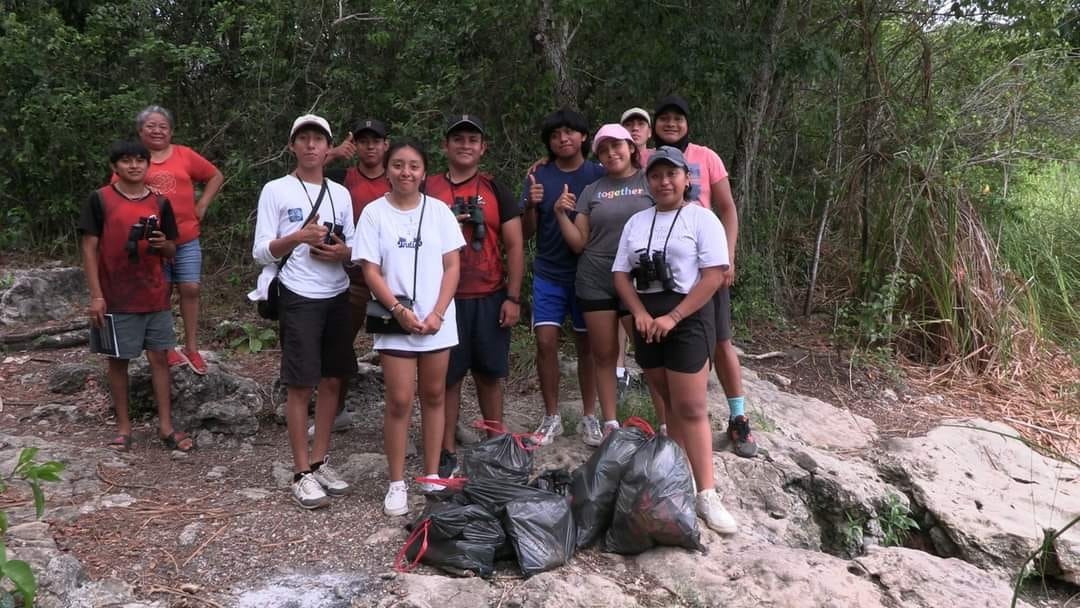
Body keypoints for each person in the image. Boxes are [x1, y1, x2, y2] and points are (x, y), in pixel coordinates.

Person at [613, 145, 738, 534]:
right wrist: (639, 313)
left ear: (686, 179)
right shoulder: (637, 222)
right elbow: (621, 274)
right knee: (668, 402)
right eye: (656, 175)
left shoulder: (702, 218)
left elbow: (713, 275)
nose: (663, 182)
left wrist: (674, 317)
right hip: (647, 320)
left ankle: (707, 493)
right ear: (647, 181)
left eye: (671, 174)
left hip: (688, 317)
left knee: (691, 406)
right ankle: (677, 478)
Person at [353, 138, 465, 516]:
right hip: (394, 319)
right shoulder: (373, 213)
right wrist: (399, 310)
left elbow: (452, 265)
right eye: (398, 165)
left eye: (414, 166)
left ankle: (431, 474)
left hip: (436, 321)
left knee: (434, 395)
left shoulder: (439, 212)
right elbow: (370, 269)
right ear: (387, 170)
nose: (406, 172)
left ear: (424, 172)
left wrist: (438, 313)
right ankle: (396, 482)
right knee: (400, 400)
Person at [251, 114, 356, 510]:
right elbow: (261, 251)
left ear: (328, 148)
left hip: (337, 292)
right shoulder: (276, 190)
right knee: (300, 383)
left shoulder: (341, 194)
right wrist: (297, 237)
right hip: (298, 294)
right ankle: (300, 472)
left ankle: (320, 460)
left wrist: (341, 251)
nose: (311, 145)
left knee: (332, 380)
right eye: (304, 139)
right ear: (292, 146)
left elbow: (354, 245)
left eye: (319, 139)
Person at [652, 95, 756, 458]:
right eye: (664, 118)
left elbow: (727, 208)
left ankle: (738, 417)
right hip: (665, 271)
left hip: (706, 264)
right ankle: (671, 429)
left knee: (721, 340)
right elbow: (610, 166)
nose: (671, 124)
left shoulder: (706, 157)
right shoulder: (647, 159)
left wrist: (728, 256)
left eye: (678, 118)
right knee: (666, 347)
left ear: (687, 124)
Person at [425, 115, 524, 477]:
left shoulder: (497, 190)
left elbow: (515, 245)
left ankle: (495, 444)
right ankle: (446, 449)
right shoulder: (428, 187)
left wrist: (513, 297)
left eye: (472, 140)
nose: (465, 145)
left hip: (489, 295)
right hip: (442, 299)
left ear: (483, 148)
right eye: (458, 139)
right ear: (445, 145)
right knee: (447, 378)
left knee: (489, 374)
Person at [80, 139, 193, 454]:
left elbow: (172, 248)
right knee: (118, 362)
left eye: (139, 160)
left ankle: (166, 427)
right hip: (115, 295)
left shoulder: (160, 203)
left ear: (147, 165)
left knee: (160, 358)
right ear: (114, 166)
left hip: (155, 294)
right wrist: (96, 295)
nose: (134, 166)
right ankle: (124, 429)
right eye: (126, 160)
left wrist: (161, 244)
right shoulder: (100, 199)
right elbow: (89, 248)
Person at [553, 124, 653, 443]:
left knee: (649, 353)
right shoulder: (592, 190)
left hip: (639, 277)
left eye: (617, 146)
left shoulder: (649, 181)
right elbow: (579, 243)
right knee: (604, 354)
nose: (612, 153)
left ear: (631, 147)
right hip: (595, 276)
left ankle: (665, 423)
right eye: (604, 150)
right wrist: (560, 215)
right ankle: (610, 423)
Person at [521, 109, 606, 446]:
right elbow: (526, 232)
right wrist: (531, 205)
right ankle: (551, 417)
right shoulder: (539, 175)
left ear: (584, 136)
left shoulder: (599, 173)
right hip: (549, 272)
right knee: (545, 342)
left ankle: (590, 416)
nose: (563, 139)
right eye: (555, 135)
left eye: (569, 132)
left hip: (588, 274)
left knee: (588, 346)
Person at [311, 118, 391, 436]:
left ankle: (397, 422)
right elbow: (301, 179)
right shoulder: (341, 178)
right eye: (363, 140)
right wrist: (331, 155)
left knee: (395, 350)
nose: (370, 146)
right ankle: (336, 412)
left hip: (389, 281)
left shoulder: (397, 177)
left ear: (386, 144)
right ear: (354, 145)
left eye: (376, 140)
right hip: (351, 279)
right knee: (339, 345)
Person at [130, 105, 224, 375]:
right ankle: (167, 345)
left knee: (190, 287)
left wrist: (202, 205)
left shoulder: (184, 154)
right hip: (152, 241)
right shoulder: (135, 159)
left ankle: (192, 347)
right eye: (151, 126)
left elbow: (215, 176)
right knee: (161, 291)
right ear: (140, 130)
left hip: (187, 237)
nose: (157, 131)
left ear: (171, 131)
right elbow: (119, 190)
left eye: (163, 126)